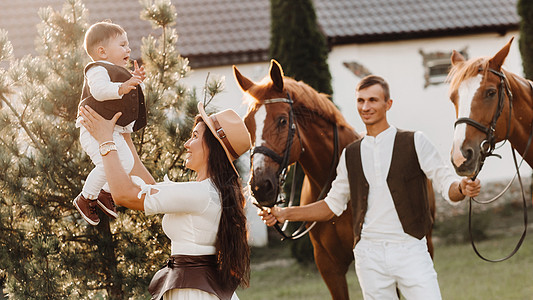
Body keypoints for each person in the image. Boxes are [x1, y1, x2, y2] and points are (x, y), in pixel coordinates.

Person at [259, 75, 481, 300]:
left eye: (373, 100)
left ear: (388, 104)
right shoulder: (351, 154)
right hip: (369, 258)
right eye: (361, 101)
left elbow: (446, 184)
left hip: (410, 251)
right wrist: (284, 213)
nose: (366, 107)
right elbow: (331, 205)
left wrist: (461, 188)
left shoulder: (415, 141)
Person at [78, 101, 252, 300]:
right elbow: (149, 186)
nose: (186, 143)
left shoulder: (200, 194)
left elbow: (124, 194)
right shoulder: (208, 191)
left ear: (213, 147)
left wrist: (105, 141)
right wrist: (124, 136)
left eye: (194, 136)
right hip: (196, 288)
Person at [73, 21, 149, 225]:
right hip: (93, 130)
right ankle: (87, 196)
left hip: (111, 130)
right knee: (109, 163)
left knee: (128, 163)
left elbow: (122, 101)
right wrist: (122, 87)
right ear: (102, 51)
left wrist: (133, 81)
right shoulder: (96, 69)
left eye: (128, 45)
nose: (129, 49)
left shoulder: (115, 72)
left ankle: (105, 193)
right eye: (122, 45)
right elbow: (99, 90)